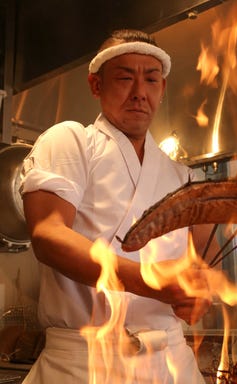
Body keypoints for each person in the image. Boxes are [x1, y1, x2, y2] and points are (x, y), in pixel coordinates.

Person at [20, 29, 215, 383]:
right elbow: (48, 234)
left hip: (172, 364)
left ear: (162, 89)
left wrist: (200, 292)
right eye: (125, 77)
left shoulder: (185, 178)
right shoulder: (70, 141)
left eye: (151, 79)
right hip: (82, 363)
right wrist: (150, 282)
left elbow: (206, 263)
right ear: (96, 85)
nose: (140, 92)